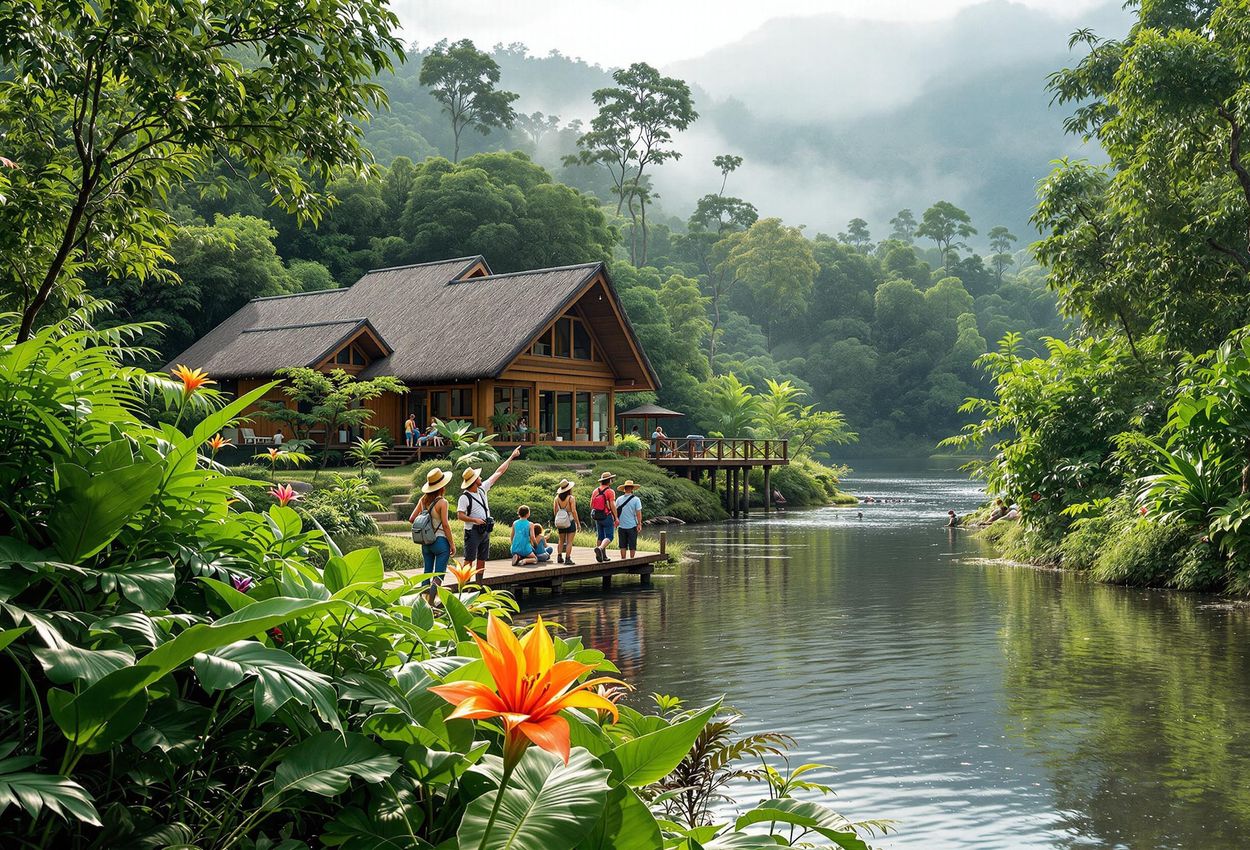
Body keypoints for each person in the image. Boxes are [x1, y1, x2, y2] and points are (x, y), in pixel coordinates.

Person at [458, 446, 522, 580]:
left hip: (485, 530)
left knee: (482, 558)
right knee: (469, 559)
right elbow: (460, 516)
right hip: (472, 531)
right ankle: (464, 584)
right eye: (478, 477)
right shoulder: (464, 497)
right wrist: (475, 520)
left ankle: (478, 584)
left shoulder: (482, 489)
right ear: (473, 481)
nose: (480, 477)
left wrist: (511, 457)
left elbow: (498, 472)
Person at [409, 467, 456, 600]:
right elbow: (445, 525)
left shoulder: (423, 500)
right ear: (442, 487)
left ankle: (423, 603)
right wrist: (452, 544)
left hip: (426, 542)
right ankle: (431, 603)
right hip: (440, 542)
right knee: (438, 574)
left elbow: (412, 519)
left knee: (427, 573)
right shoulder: (442, 502)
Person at [590, 471, 617, 563]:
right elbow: (613, 505)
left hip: (597, 516)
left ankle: (603, 556)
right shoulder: (610, 491)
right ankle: (600, 548)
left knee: (600, 536)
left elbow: (591, 505)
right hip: (606, 516)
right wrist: (616, 517)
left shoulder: (595, 491)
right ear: (609, 481)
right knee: (609, 536)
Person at [552, 478, 580, 565]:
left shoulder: (556, 498)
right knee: (569, 541)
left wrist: (559, 519)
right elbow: (574, 511)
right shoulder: (571, 498)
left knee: (561, 540)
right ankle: (568, 559)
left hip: (561, 522)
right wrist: (578, 523)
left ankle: (559, 557)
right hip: (570, 521)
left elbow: (555, 511)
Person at [616, 480, 643, 560]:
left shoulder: (619, 499)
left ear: (624, 489)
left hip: (621, 526)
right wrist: (639, 524)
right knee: (632, 545)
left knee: (622, 545)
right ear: (632, 489)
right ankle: (632, 560)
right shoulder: (636, 499)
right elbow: (638, 513)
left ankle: (623, 559)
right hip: (632, 526)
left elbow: (615, 512)